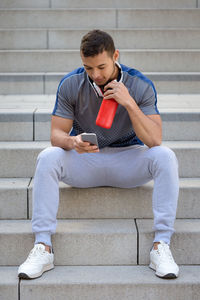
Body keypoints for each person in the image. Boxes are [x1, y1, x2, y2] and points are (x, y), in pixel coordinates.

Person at [18, 30, 179, 280]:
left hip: (128, 158)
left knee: (165, 156)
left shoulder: (140, 84)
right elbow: (56, 135)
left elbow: (154, 140)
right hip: (86, 160)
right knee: (48, 157)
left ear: (115, 56)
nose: (96, 74)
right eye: (88, 67)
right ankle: (43, 246)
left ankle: (162, 244)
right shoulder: (72, 83)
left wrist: (129, 102)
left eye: (101, 66)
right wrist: (72, 141)